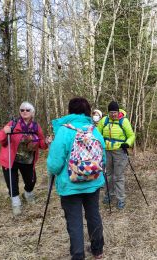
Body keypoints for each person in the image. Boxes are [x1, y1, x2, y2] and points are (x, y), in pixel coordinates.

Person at [47, 97, 106, 260]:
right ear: (88, 111)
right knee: (93, 215)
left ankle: (78, 255)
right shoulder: (94, 130)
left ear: (70, 111)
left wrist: (54, 171)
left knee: (74, 221)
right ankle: (97, 250)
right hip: (93, 182)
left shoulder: (64, 131)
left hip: (69, 185)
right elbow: (103, 158)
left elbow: (54, 164)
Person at [0, 101, 50, 216]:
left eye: (27, 110)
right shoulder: (13, 123)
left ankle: (27, 194)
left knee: (31, 181)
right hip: (11, 159)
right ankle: (16, 203)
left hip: (28, 160)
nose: (24, 112)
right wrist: (5, 132)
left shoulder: (36, 126)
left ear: (32, 112)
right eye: (22, 110)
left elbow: (41, 144)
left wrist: (46, 142)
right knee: (12, 183)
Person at [97, 101, 135, 209]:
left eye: (115, 112)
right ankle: (108, 195)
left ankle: (120, 199)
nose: (113, 114)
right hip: (106, 151)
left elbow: (131, 135)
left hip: (119, 151)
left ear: (118, 112)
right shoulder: (104, 121)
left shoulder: (124, 121)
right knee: (108, 175)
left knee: (118, 176)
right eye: (111, 112)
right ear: (108, 112)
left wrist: (127, 143)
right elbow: (97, 134)